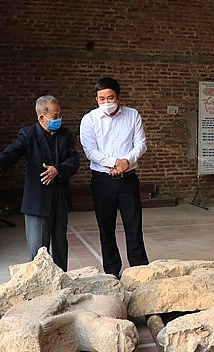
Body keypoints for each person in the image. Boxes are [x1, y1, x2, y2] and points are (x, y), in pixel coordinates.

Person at [0, 95, 80, 272]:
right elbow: (14, 150)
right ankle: (40, 288)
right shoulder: (28, 134)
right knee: (38, 251)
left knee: (60, 245)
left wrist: (57, 169)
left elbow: (74, 161)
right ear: (42, 117)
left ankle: (62, 281)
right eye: (55, 116)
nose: (58, 119)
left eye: (59, 115)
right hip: (37, 201)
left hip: (60, 198)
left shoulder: (65, 134)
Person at [79, 77, 149, 278]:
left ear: (118, 97)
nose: (106, 102)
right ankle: (112, 271)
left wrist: (126, 161)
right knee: (106, 228)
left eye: (110, 97)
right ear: (96, 99)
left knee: (134, 226)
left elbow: (141, 144)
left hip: (128, 179)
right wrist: (113, 163)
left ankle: (139, 270)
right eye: (102, 99)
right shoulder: (89, 120)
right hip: (103, 180)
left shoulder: (132, 115)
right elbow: (90, 150)